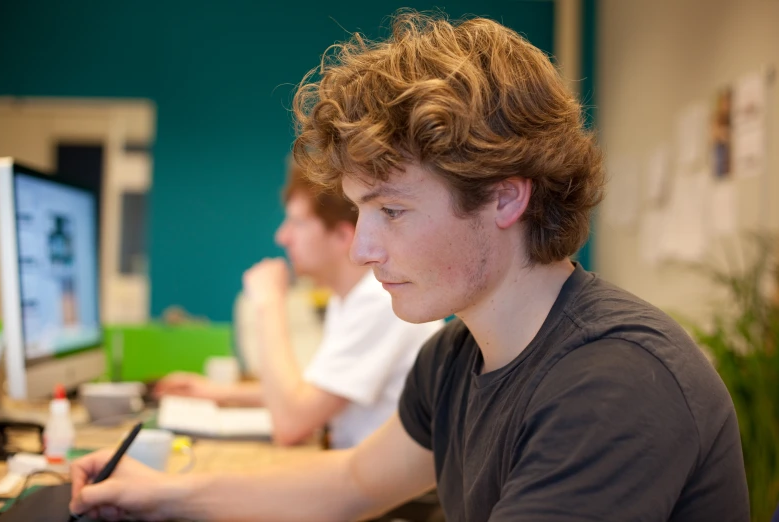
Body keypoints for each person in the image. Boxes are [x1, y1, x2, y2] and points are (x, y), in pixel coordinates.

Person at [70, 12, 749, 521]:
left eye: (390, 211)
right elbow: (352, 485)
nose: (362, 248)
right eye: (361, 211)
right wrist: (165, 495)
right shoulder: (459, 352)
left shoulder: (615, 385)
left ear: (505, 196)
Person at [153, 162, 443, 448]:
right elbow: (309, 394)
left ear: (343, 236)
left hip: (395, 493)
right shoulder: (349, 299)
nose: (282, 236)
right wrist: (216, 392)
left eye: (297, 223)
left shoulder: (379, 303)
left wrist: (269, 302)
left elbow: (291, 424)